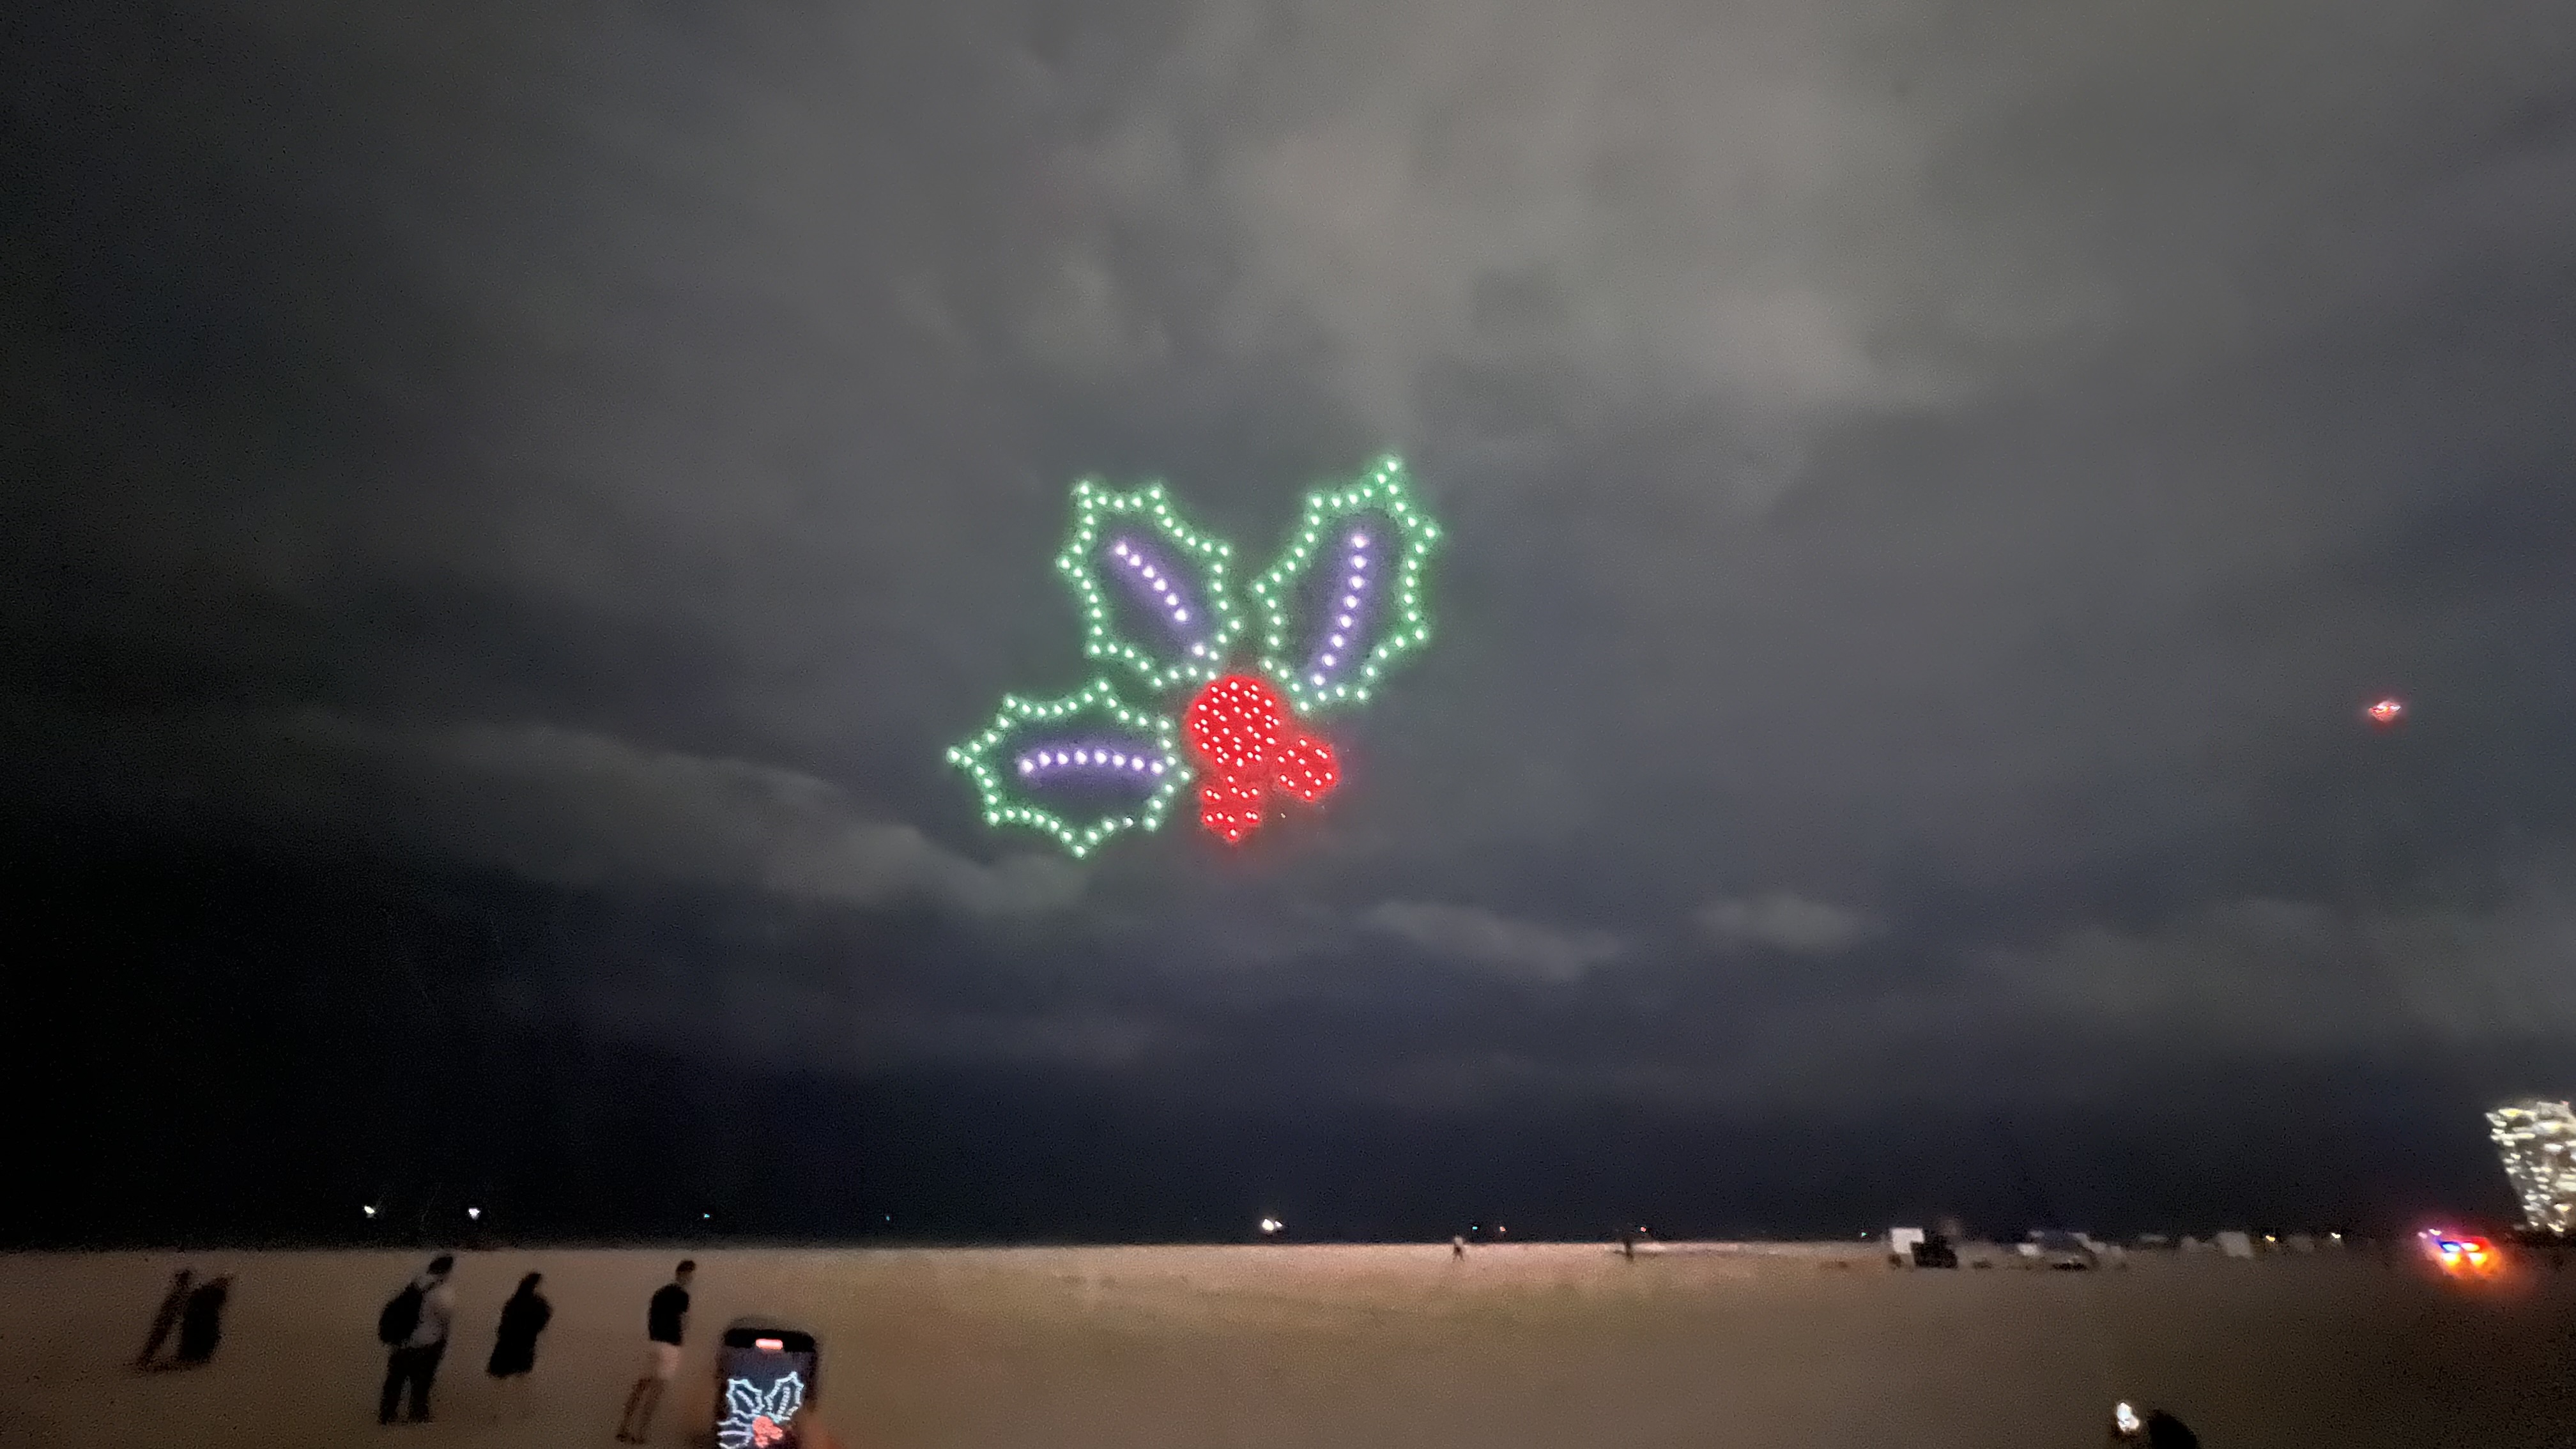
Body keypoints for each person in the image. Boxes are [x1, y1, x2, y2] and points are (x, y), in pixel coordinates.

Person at [615, 1259, 694, 1443]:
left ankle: (624, 1426)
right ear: (684, 1274)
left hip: (654, 1343)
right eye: (690, 1274)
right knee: (656, 1391)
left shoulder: (659, 1293)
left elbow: (649, 1317)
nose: (691, 1278)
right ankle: (640, 1433)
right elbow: (684, 1323)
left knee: (641, 1386)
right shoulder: (682, 1296)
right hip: (671, 1346)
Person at [378, 1255, 456, 1425]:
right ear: (447, 1270)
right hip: (427, 1341)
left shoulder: (416, 1282)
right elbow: (445, 1316)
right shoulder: (441, 1290)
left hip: (402, 1340)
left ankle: (387, 1415)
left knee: (395, 1380)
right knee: (422, 1381)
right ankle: (418, 1414)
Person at [484, 1272, 552, 1421]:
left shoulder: (514, 1301)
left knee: (500, 1380)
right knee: (522, 1379)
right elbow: (543, 1322)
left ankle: (495, 1413)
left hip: (506, 1343)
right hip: (525, 1344)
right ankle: (524, 1412)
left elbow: (503, 1324)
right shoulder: (539, 1304)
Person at [137, 1268, 194, 1368]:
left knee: (155, 1339)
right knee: (156, 1339)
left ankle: (144, 1359)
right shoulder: (183, 1292)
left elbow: (170, 1308)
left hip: (166, 1320)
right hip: (167, 1320)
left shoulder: (180, 1292)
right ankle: (145, 1359)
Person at [172, 1275, 231, 1365]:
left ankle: (192, 1354)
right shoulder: (209, 1299)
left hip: (200, 1323)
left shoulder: (202, 1299)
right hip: (202, 1324)